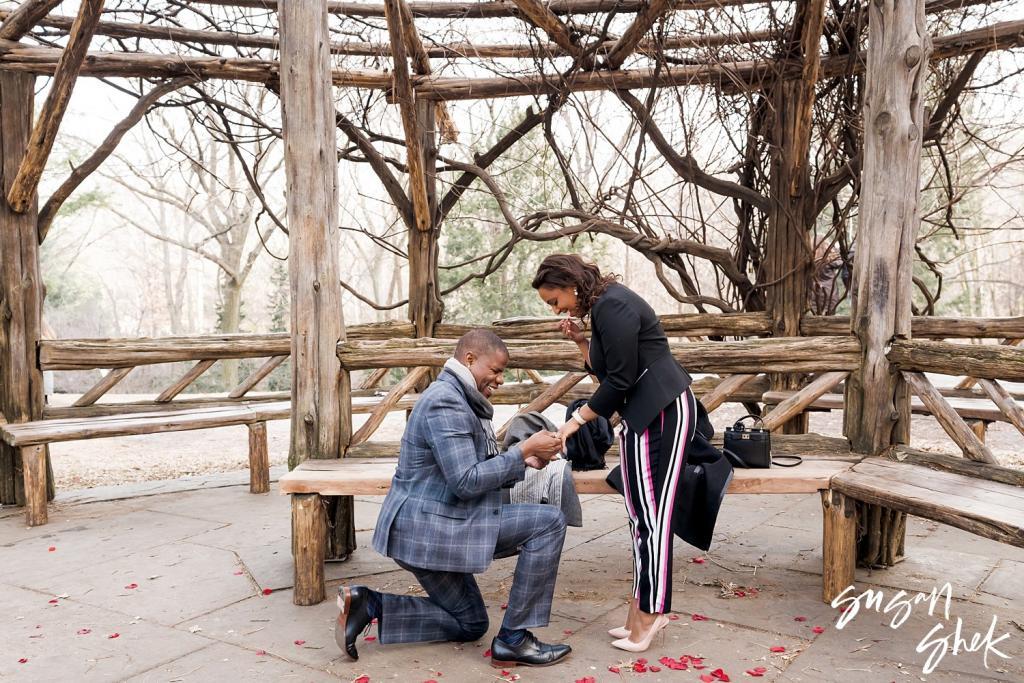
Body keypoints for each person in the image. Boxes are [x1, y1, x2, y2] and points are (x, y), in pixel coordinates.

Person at [336, 329, 572, 669]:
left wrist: (527, 461)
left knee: (471, 623)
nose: (500, 379)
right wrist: (521, 450)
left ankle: (369, 605)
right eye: (496, 370)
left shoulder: (460, 397)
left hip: (429, 526)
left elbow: (472, 467)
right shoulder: (445, 400)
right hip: (429, 530)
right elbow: (466, 481)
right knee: (548, 523)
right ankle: (515, 640)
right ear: (470, 360)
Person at [532, 253, 698, 653]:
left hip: (662, 413)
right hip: (644, 416)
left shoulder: (614, 304)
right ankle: (643, 605)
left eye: (555, 300)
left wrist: (574, 423)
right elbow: (611, 371)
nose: (557, 309)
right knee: (640, 515)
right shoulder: (603, 308)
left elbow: (621, 380)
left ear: (570, 284)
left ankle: (652, 611)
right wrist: (580, 341)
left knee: (652, 518)